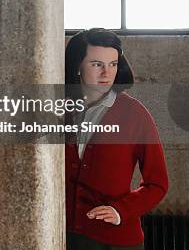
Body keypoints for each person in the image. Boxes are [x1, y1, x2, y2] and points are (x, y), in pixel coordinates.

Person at [65, 28, 168, 250]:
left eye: (112, 64)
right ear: (77, 67)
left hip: (117, 241)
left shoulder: (135, 114)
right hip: (64, 236)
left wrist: (121, 210)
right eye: (96, 64)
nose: (106, 73)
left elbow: (157, 184)